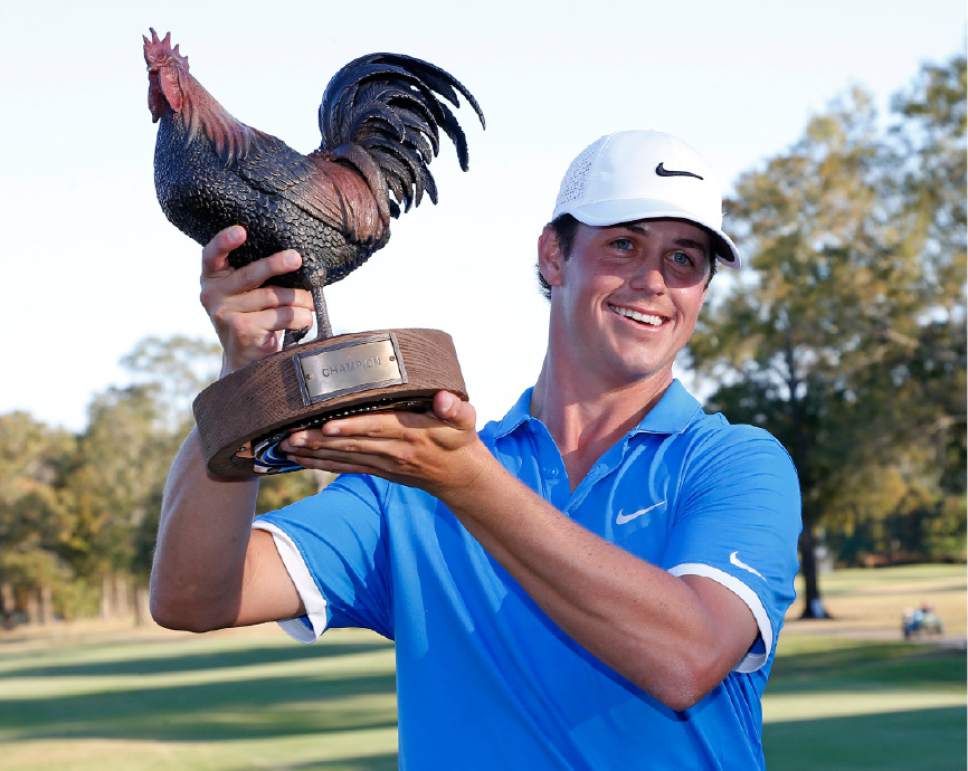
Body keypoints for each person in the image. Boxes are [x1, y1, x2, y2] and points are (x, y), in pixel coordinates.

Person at [151, 129, 801, 770]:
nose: (655, 280)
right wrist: (243, 379)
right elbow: (192, 595)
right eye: (624, 244)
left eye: (685, 259)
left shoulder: (736, 463)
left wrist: (464, 479)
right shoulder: (415, 479)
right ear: (553, 255)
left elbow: (685, 656)